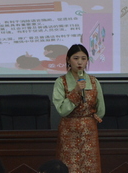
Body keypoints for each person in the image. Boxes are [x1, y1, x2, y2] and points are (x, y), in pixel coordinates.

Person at [52, 44, 105, 173]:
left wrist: (92, 117)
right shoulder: (61, 82)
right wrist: (76, 91)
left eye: (83, 58)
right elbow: (62, 110)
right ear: (68, 60)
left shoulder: (94, 81)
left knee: (90, 165)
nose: (80, 62)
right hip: (68, 130)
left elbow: (101, 108)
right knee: (70, 165)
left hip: (89, 130)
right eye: (76, 58)